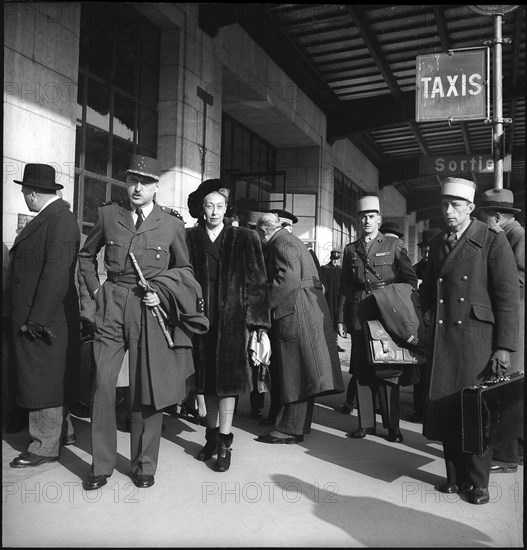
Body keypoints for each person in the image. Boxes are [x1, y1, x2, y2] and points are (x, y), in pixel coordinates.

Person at [78, 154, 208, 490]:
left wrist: (162, 295)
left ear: (155, 187)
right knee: (103, 386)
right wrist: (96, 292)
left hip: (149, 311)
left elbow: (184, 272)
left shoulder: (171, 225)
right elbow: (86, 255)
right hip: (112, 305)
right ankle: (101, 465)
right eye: (133, 179)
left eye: (145, 182)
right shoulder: (109, 214)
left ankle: (144, 465)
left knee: (145, 388)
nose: (137, 187)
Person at [420, 177, 519, 505]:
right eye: (445, 205)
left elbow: (506, 297)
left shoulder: (492, 239)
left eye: (456, 206)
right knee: (446, 406)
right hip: (444, 336)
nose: (448, 211)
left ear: (471, 208)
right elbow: (429, 292)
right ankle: (454, 476)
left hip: (477, 337)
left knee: (476, 412)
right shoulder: (437, 242)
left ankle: (478, 483)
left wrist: (504, 347)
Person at [186, 179, 270, 471]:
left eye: (219, 206)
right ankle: (210, 436)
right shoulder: (189, 238)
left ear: (226, 209)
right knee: (205, 381)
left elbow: (258, 283)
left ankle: (224, 442)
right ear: (201, 209)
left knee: (228, 384)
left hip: (233, 322)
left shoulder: (245, 238)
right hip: (199, 321)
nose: (214, 212)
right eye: (209, 206)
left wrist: (258, 326)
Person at [8, 163, 80, 468]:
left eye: (25, 191)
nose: (24, 195)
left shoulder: (60, 220)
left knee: (44, 380)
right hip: (42, 314)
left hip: (45, 318)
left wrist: (36, 319)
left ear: (35, 193)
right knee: (47, 377)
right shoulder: (50, 218)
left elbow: (56, 275)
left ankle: (44, 446)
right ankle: (63, 433)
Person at [255, 212, 344, 444]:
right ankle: (292, 427)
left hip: (295, 312)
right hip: (306, 309)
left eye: (258, 234)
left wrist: (263, 305)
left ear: (264, 231)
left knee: (295, 372)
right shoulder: (290, 240)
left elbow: (287, 280)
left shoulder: (280, 243)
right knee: (303, 373)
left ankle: (288, 429)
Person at [336, 196, 418, 443]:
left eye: (371, 216)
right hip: (360, 314)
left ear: (379, 220)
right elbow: (345, 286)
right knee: (361, 371)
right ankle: (366, 424)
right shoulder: (351, 249)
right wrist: (340, 319)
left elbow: (410, 279)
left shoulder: (393, 246)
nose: (366, 220)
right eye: (363, 216)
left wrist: (398, 303)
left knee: (388, 370)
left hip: (386, 315)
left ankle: (393, 426)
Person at [476, 188, 524, 474]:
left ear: (495, 216)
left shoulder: (515, 235)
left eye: (482, 216)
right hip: (510, 318)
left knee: (507, 386)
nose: (480, 222)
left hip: (513, 320)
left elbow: (517, 282)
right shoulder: (507, 234)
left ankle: (507, 455)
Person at [410, 227, 442, 422]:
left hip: (440, 322)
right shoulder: (415, 269)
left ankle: (432, 410)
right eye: (424, 250)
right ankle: (419, 409)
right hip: (421, 321)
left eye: (430, 249)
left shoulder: (443, 266)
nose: (427, 253)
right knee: (420, 367)